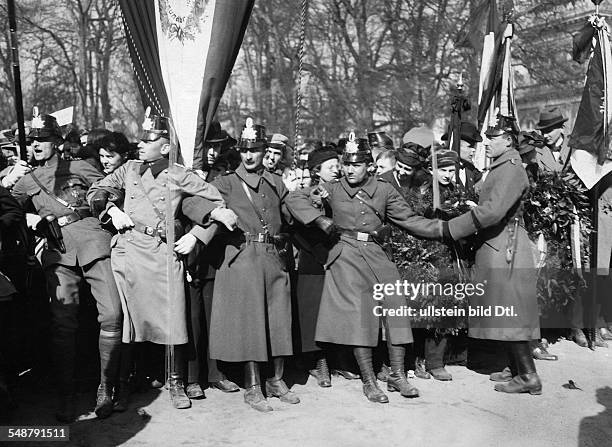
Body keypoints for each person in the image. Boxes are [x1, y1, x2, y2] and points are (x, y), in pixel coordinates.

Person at [87, 109, 236, 410]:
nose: (140, 144)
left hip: (161, 251)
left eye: (148, 139)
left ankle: (176, 382)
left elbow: (218, 202)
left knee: (173, 319)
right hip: (128, 252)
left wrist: (196, 235)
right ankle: (124, 386)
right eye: (140, 139)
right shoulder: (128, 168)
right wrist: (110, 209)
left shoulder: (179, 174)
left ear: (165, 147)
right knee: (129, 322)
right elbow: (96, 190)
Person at [287, 133, 444, 404]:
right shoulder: (332, 189)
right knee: (361, 314)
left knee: (395, 306)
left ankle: (397, 375)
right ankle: (369, 381)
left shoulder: (383, 189)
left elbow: (410, 219)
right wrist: (319, 219)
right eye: (346, 164)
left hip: (375, 251)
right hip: (344, 252)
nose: (349, 169)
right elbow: (294, 200)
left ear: (368, 165)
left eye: (356, 164)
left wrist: (447, 229)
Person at [11, 111, 123, 421]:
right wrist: (27, 216)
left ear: (58, 143)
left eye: (42, 140)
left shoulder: (82, 166)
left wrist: (103, 200)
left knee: (113, 313)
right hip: (59, 253)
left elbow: (108, 188)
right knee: (63, 325)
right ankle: (67, 394)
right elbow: (7, 210)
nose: (35, 145)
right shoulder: (25, 180)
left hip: (94, 242)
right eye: (32, 140)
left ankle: (106, 388)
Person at [185, 118, 299, 413]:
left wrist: (308, 199)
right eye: (245, 150)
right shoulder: (225, 182)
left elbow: (292, 213)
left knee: (278, 319)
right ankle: (252, 386)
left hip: (273, 256)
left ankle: (275, 380)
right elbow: (191, 203)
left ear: (265, 151)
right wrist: (214, 213)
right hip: (242, 256)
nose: (249, 156)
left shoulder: (275, 182)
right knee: (251, 323)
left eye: (256, 150)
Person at [443, 125, 542, 394]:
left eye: (492, 139)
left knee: (510, 310)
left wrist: (453, 228)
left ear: (508, 141)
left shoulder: (510, 167)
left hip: (505, 245)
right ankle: (516, 368)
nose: (486, 144)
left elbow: (493, 212)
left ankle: (529, 376)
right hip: (498, 244)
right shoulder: (501, 165)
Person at [181, 121, 241, 399]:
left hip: (217, 254)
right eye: (206, 146)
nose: (212, 152)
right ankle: (191, 377)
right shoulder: (181, 175)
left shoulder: (223, 175)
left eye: (216, 146)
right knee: (192, 318)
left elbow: (225, 209)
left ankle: (217, 373)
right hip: (188, 252)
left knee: (214, 316)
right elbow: (183, 208)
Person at [441, 121, 483, 194]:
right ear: (455, 145)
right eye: (469, 146)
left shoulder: (472, 170)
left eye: (474, 147)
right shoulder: (441, 169)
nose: (473, 150)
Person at [535, 108, 571, 173]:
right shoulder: (537, 152)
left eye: (549, 131)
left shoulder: (573, 147)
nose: (545, 135)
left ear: (562, 128)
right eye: (543, 132)